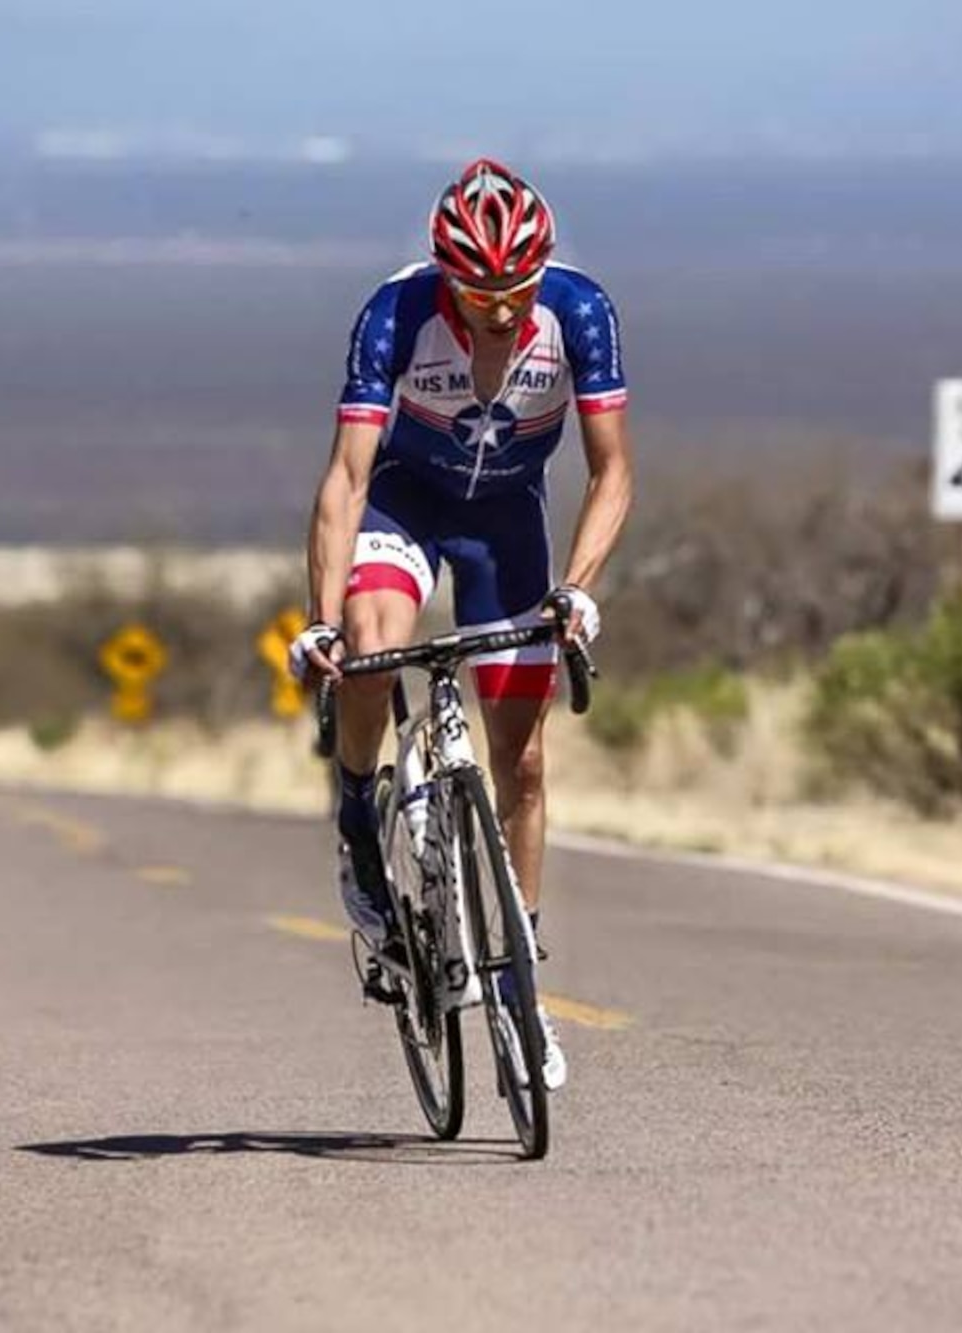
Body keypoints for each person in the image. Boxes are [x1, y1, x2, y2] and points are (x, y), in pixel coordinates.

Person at [287, 158, 635, 1091]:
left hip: (507, 522)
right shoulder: (396, 315)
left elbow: (613, 474)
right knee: (371, 645)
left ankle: (522, 985)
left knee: (520, 759)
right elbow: (346, 481)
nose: (501, 306)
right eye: (481, 290)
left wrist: (578, 588)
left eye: (518, 286)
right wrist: (318, 622)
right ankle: (360, 813)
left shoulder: (581, 315)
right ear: (448, 276)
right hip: (405, 505)